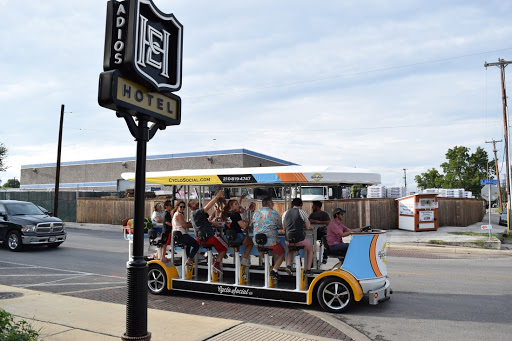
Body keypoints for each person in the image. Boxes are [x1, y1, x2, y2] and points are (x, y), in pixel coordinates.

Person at [189, 190, 228, 274]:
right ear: (190, 207)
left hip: (200, 238)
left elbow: (206, 221)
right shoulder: (196, 213)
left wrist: (213, 223)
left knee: (220, 245)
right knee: (225, 247)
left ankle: (213, 259)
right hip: (209, 236)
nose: (195, 204)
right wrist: (217, 196)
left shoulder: (194, 215)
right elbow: (208, 207)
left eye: (195, 202)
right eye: (193, 204)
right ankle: (216, 263)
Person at [252, 197, 286, 280]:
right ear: (268, 204)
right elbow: (280, 226)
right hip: (271, 242)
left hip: (257, 241)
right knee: (282, 253)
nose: (273, 204)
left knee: (261, 245)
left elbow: (253, 223)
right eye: (272, 203)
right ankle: (274, 270)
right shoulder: (274, 213)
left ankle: (264, 260)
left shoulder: (256, 213)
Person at [282, 197, 313, 275]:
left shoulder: (285, 213)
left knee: (290, 249)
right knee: (310, 249)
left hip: (288, 241)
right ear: (301, 205)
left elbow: (284, 228)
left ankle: (288, 266)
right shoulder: (302, 212)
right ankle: (308, 269)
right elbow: (308, 227)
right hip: (300, 240)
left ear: (292, 205)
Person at [221, 199, 254, 267]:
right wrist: (247, 222)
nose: (238, 205)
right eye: (236, 204)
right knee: (250, 243)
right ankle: (244, 259)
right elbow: (244, 227)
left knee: (235, 243)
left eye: (238, 204)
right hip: (237, 236)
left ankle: (236, 253)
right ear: (231, 206)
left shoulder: (224, 214)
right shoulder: (236, 214)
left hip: (226, 237)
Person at [172, 200, 199, 267]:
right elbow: (185, 225)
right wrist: (195, 225)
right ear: (177, 207)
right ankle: (189, 260)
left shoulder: (177, 214)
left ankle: (186, 259)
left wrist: (191, 222)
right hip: (182, 234)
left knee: (188, 245)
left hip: (179, 235)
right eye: (181, 207)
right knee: (196, 245)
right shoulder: (178, 214)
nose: (182, 208)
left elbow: (185, 223)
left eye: (183, 207)